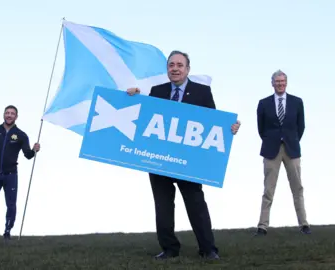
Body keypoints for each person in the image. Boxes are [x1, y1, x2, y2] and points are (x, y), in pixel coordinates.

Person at [126, 50, 240, 260]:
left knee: (196, 203)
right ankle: (169, 249)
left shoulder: (202, 92)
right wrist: (131, 98)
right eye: (171, 65)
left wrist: (229, 128)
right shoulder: (156, 91)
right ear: (167, 69)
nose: (175, 69)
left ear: (188, 69)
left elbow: (213, 123)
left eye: (179, 65)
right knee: (163, 205)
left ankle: (208, 249)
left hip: (189, 162)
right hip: (159, 159)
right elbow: (145, 118)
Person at [254, 70, 310, 236]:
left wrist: (291, 140)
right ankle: (262, 226)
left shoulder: (297, 102)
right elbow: (261, 128)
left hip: (292, 149)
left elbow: (301, 126)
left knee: (297, 188)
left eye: (282, 81)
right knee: (268, 189)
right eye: (277, 81)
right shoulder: (263, 103)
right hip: (271, 150)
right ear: (272, 83)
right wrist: (273, 140)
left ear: (286, 83)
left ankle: (304, 224)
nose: (280, 84)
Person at [0, 105, 40, 241]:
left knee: (11, 204)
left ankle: (7, 230)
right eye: (7, 113)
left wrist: (34, 150)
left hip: (11, 175)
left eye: (12, 113)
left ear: (16, 117)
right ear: (3, 115)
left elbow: (28, 155)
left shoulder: (21, 135)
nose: (9, 115)